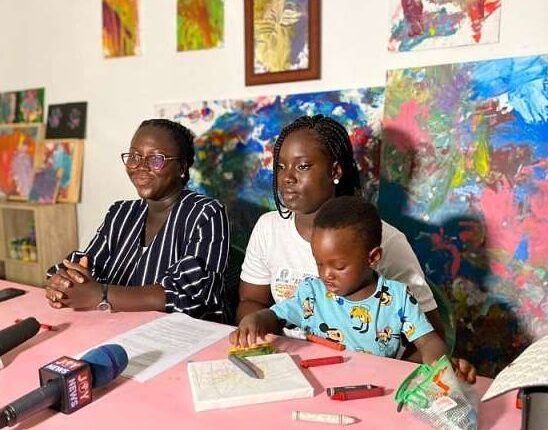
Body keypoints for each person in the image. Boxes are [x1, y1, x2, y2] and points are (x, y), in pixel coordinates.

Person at [237, 115, 443, 346]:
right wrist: (265, 332)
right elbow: (251, 302)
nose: (287, 178)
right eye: (281, 167)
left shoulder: (384, 239)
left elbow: (431, 334)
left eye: (302, 166)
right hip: (287, 356)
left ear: (335, 171)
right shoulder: (268, 228)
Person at [231, 196, 476, 384]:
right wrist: (256, 320)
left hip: (374, 388)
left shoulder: (397, 298)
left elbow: (429, 341)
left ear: (373, 257)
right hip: (317, 383)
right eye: (319, 263)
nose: (326, 274)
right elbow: (275, 316)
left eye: (338, 266)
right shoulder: (312, 294)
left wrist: (440, 364)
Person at [44, 118, 230, 321]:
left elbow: (191, 295)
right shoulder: (121, 213)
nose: (141, 166)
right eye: (134, 156)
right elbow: (88, 264)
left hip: (180, 333)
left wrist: (100, 294)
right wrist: (65, 282)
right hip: (117, 326)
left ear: (182, 167)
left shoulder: (205, 214)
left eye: (156, 159)